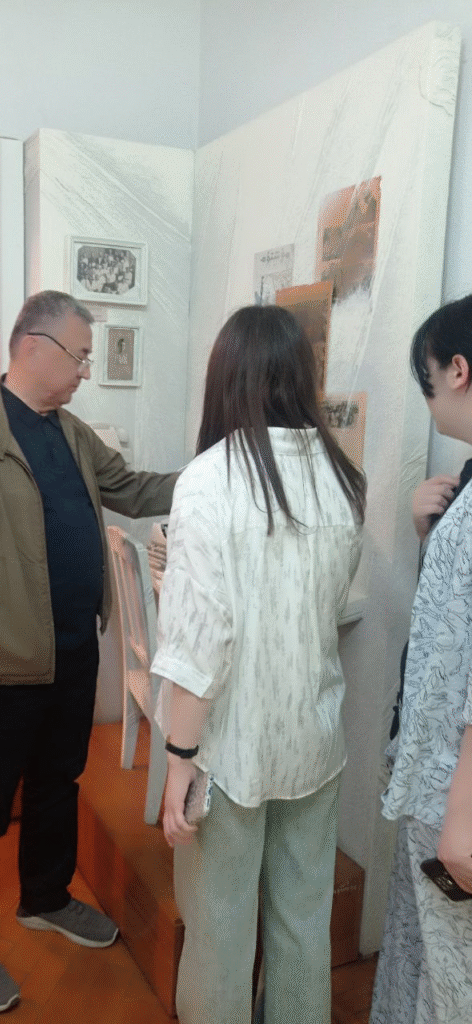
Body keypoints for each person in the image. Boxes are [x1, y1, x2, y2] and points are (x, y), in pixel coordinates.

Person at [0, 290, 178, 1014]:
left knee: (59, 782)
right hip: (4, 666)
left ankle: (46, 898)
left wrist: (216, 476)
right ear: (32, 347)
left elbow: (132, 489)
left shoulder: (70, 432)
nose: (86, 370)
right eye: (79, 355)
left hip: (73, 651)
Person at [151, 305, 366, 1024]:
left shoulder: (208, 480)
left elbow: (201, 641)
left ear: (226, 378)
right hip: (314, 738)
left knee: (219, 930)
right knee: (303, 921)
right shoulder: (343, 478)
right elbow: (329, 606)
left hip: (229, 749)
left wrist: (179, 759)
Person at [370, 295, 472, 1024]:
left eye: (427, 377)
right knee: (420, 954)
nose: (428, 395)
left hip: (452, 793)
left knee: (449, 973)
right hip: (433, 776)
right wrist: (427, 529)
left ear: (458, 370)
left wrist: (462, 814)